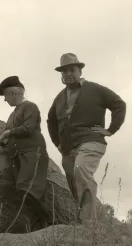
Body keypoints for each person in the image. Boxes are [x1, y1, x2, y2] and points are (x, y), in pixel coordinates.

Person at [47, 53, 126, 226]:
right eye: (64, 71)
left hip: (91, 140)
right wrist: (57, 143)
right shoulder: (59, 98)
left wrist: (110, 129)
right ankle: (82, 220)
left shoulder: (95, 89)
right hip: (68, 148)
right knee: (73, 181)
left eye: (72, 70)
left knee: (81, 168)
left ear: (80, 70)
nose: (68, 74)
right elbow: (50, 121)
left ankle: (88, 222)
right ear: (61, 75)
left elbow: (119, 104)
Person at [0, 75, 52, 228]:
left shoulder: (30, 107)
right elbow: (6, 133)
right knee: (21, 190)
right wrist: (3, 139)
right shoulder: (12, 114)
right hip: (18, 157)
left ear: (13, 93)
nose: (5, 100)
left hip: (33, 153)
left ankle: (50, 221)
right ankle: (41, 224)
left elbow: (28, 128)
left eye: (5, 96)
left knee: (27, 188)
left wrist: (9, 133)